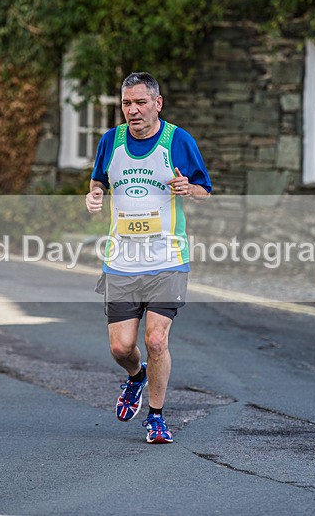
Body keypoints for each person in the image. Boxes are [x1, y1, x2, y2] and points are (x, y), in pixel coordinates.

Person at [85, 72, 211, 444]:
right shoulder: (111, 141)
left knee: (156, 341)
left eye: (141, 102)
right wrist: (94, 195)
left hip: (167, 259)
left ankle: (156, 417)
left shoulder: (178, 140)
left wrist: (188, 188)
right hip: (122, 261)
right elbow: (98, 180)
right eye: (127, 103)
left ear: (157, 103)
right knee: (121, 347)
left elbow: (204, 190)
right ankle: (136, 376)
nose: (133, 110)